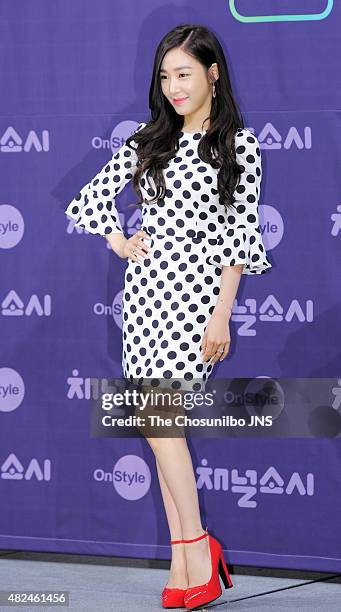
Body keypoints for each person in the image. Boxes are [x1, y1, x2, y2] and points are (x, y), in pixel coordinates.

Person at [65, 23, 272, 610]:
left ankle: (199, 551)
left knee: (164, 429)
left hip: (195, 306)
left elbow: (240, 238)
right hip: (145, 301)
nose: (174, 86)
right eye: (165, 76)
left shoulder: (238, 146)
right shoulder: (148, 139)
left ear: (213, 73)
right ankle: (187, 562)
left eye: (185, 73)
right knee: (161, 438)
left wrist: (222, 316)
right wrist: (119, 239)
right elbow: (88, 197)